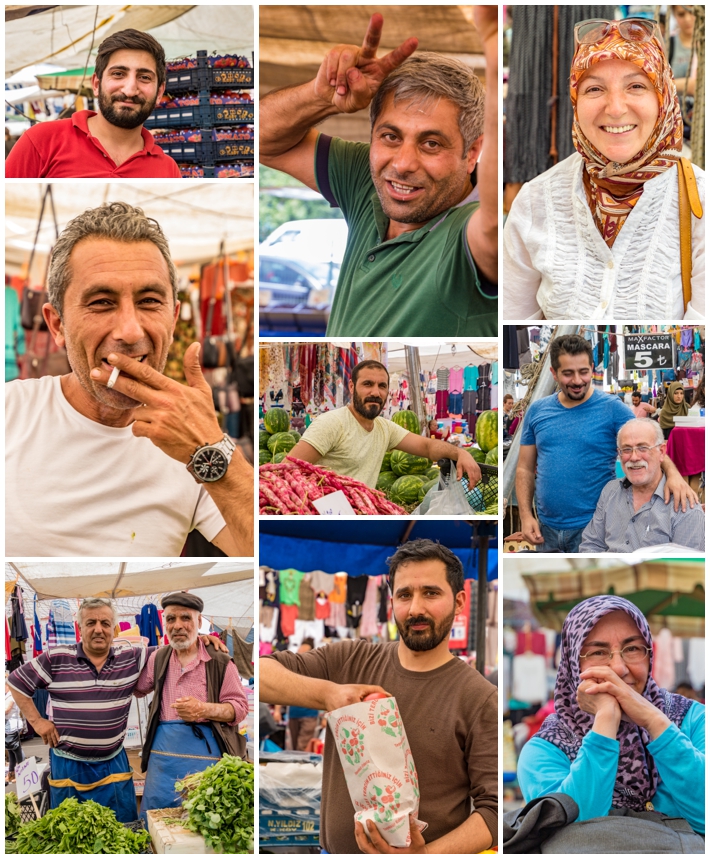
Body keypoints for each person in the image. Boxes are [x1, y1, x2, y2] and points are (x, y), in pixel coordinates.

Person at [5, 202, 253, 557]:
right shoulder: (10, 412)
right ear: (57, 325)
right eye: (102, 302)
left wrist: (212, 447)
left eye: (150, 301)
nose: (130, 330)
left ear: (173, 318)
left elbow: (263, 554)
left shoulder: (195, 445)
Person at [260, 9, 498, 337]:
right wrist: (323, 97)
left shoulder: (465, 234)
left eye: (430, 143)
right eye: (390, 137)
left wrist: (493, 41)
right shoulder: (365, 180)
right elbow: (259, 137)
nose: (402, 163)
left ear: (471, 152)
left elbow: (494, 231)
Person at [260, 539, 498, 854]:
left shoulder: (480, 698)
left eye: (430, 592)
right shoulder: (348, 659)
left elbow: (493, 812)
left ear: (459, 602)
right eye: (404, 595)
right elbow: (261, 672)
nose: (415, 608)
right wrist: (328, 694)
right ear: (391, 603)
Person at [503, 17, 704, 320]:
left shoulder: (700, 201)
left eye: (636, 86)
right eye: (595, 89)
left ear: (663, 96)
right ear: (575, 100)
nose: (615, 108)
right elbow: (515, 329)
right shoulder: (535, 202)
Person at [6, 597, 228, 822]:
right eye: (91, 623)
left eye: (105, 623)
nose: (98, 629)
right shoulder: (56, 658)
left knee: (121, 826)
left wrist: (202, 639)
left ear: (114, 628)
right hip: (68, 763)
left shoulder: (132, 656)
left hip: (112, 762)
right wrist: (38, 722)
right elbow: (16, 682)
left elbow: (175, 646)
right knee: (70, 828)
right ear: (80, 627)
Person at [517, 595, 704, 835]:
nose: (618, 668)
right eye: (598, 652)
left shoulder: (693, 720)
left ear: (649, 656)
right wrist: (605, 719)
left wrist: (654, 721)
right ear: (574, 664)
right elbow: (573, 835)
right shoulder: (547, 749)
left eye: (633, 648)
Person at [515, 334, 695, 553]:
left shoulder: (612, 408)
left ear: (592, 368)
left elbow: (648, 445)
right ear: (553, 373)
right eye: (568, 373)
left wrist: (674, 476)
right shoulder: (537, 411)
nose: (578, 381)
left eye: (583, 372)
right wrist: (525, 515)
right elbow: (524, 468)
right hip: (545, 528)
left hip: (595, 528)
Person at [5, 29, 181, 178]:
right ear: (96, 84)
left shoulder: (168, 170)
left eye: (144, 77)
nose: (129, 90)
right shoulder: (41, 140)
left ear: (159, 92)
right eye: (118, 74)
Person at [134, 592, 249, 817]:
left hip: (205, 760)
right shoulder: (158, 658)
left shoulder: (220, 661)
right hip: (163, 760)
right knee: (157, 818)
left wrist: (203, 709)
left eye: (185, 618)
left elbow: (240, 707)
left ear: (199, 622)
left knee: (202, 820)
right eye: (170, 619)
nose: (177, 625)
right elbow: (138, 689)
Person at [288, 359, 481, 489]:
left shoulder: (384, 428)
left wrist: (460, 453)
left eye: (382, 386)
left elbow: (427, 446)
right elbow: (285, 472)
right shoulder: (331, 423)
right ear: (352, 387)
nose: (375, 392)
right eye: (367, 384)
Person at [580, 418, 704, 551]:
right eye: (627, 449)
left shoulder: (685, 508)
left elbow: (685, 568)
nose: (634, 457)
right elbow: (591, 545)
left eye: (642, 448)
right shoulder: (610, 491)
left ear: (661, 452)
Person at [5, 682, 25, 783]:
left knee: (16, 750)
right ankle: (11, 774)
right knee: (11, 750)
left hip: (13, 726)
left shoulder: (11, 696)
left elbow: (6, 710)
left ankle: (21, 774)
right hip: (8, 726)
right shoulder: (6, 696)